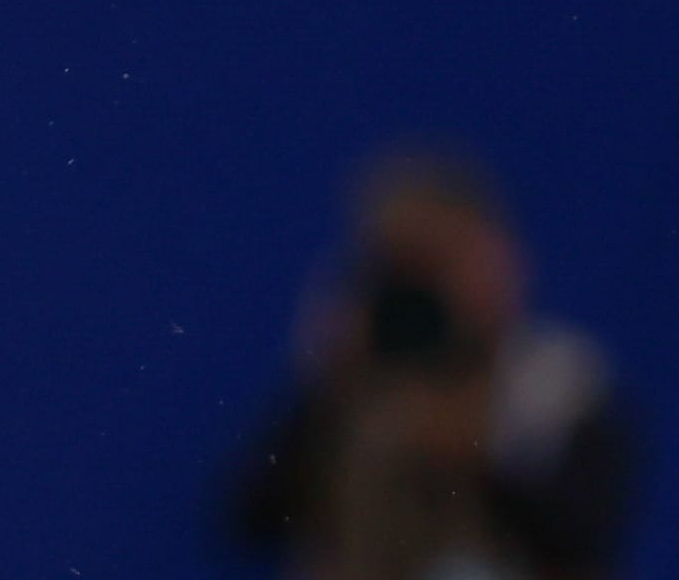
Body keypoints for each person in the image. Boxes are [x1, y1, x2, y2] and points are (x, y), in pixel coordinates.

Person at [226, 152, 634, 580]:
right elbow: (250, 519)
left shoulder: (560, 381)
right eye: (403, 268)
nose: (423, 290)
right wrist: (327, 386)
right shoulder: (355, 383)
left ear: (497, 261)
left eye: (438, 265)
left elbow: (581, 536)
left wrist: (474, 451)